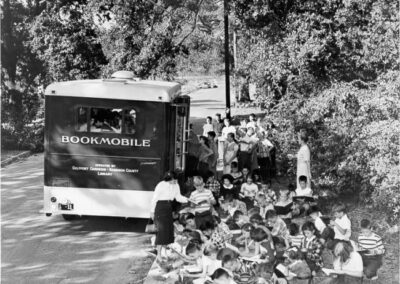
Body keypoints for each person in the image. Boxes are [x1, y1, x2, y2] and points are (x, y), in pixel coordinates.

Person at [150, 171, 189, 261]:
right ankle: (159, 254)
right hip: (159, 208)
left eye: (176, 180)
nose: (175, 182)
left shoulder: (176, 185)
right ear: (168, 179)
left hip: (168, 207)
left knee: (167, 232)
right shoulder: (161, 185)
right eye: (173, 180)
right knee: (161, 232)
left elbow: (178, 197)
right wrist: (152, 212)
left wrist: (188, 200)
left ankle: (164, 252)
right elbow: (154, 199)